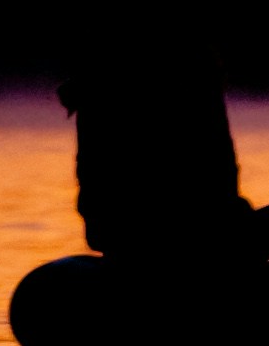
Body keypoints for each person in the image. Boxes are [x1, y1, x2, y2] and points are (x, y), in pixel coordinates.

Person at [56, 55, 253, 268]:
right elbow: (215, 183)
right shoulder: (190, 81)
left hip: (121, 231)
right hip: (167, 232)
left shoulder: (96, 86)